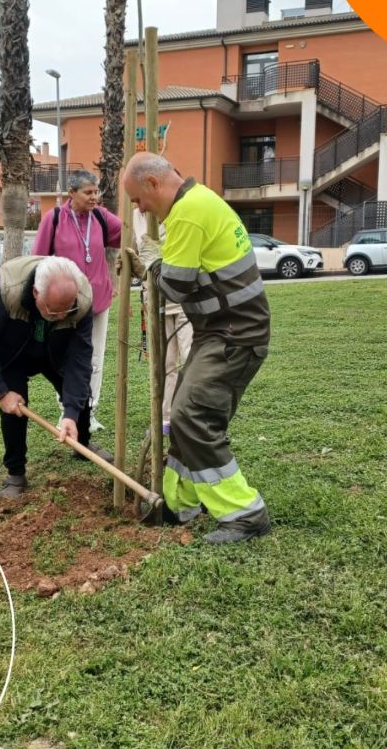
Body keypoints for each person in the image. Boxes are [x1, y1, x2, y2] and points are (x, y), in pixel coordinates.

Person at [123, 152, 272, 544]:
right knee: (184, 416)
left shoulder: (188, 213)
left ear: (153, 183)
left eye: (138, 199)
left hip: (235, 335)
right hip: (219, 332)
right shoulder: (196, 202)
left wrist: (152, 263)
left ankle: (245, 515)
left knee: (194, 417)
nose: (140, 209)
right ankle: (181, 504)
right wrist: (156, 262)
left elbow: (177, 286)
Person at [0, 254, 113, 500]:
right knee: (14, 409)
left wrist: (70, 414)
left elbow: (79, 360)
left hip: (56, 350)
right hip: (13, 353)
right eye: (54, 311)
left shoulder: (82, 299)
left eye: (67, 310)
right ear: (36, 293)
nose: (61, 316)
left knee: (80, 390)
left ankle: (82, 443)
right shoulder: (6, 290)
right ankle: (16, 473)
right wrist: (2, 392)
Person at [33, 169, 121, 434]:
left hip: (97, 301)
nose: (94, 197)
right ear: (72, 193)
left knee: (94, 357)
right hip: (65, 303)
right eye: (88, 192)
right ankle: (68, 411)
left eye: (96, 192)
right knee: (65, 358)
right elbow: (38, 259)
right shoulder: (54, 219)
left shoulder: (101, 217)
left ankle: (89, 412)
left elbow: (128, 232)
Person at [132, 206, 193, 435]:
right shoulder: (135, 216)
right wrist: (131, 267)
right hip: (156, 298)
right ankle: (165, 417)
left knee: (190, 356)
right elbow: (134, 254)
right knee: (165, 362)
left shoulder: (177, 211)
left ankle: (191, 416)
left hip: (185, 298)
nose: (138, 203)